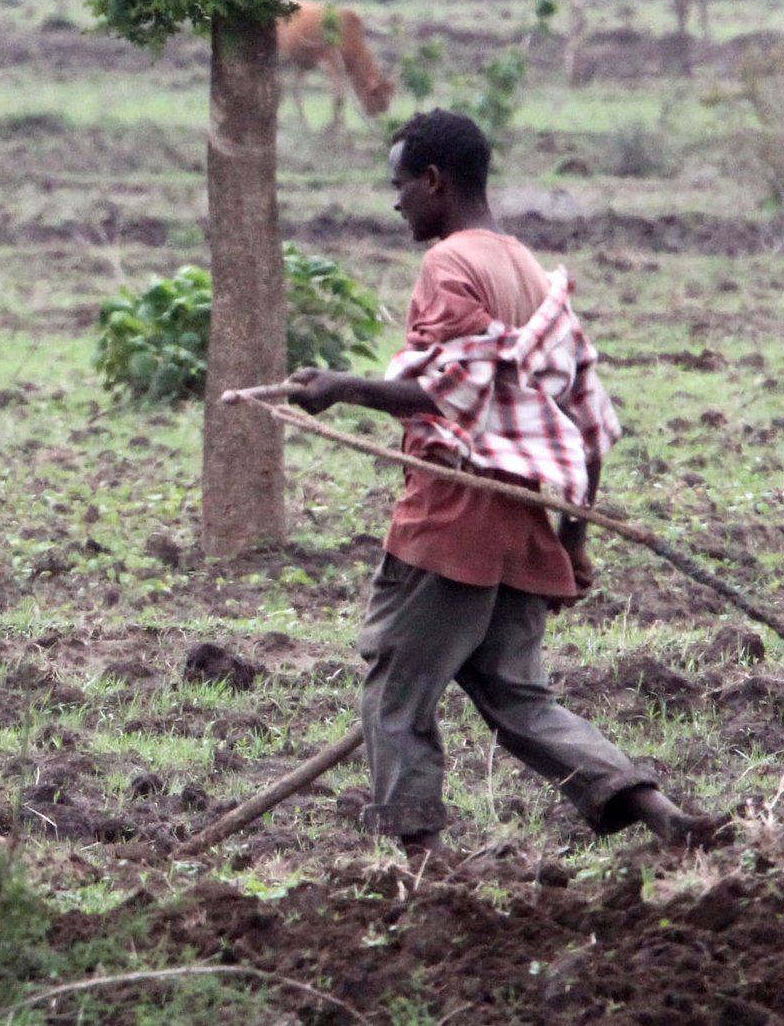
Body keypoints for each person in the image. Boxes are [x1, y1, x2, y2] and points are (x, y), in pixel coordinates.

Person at [288, 109, 724, 858]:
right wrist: (571, 536)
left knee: (396, 692)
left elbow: (451, 385)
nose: (395, 204)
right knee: (518, 696)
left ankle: (421, 860)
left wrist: (342, 385)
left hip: (452, 517)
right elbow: (587, 416)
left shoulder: (448, 266)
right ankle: (659, 813)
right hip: (523, 522)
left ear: (433, 181)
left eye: (400, 186)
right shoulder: (527, 269)